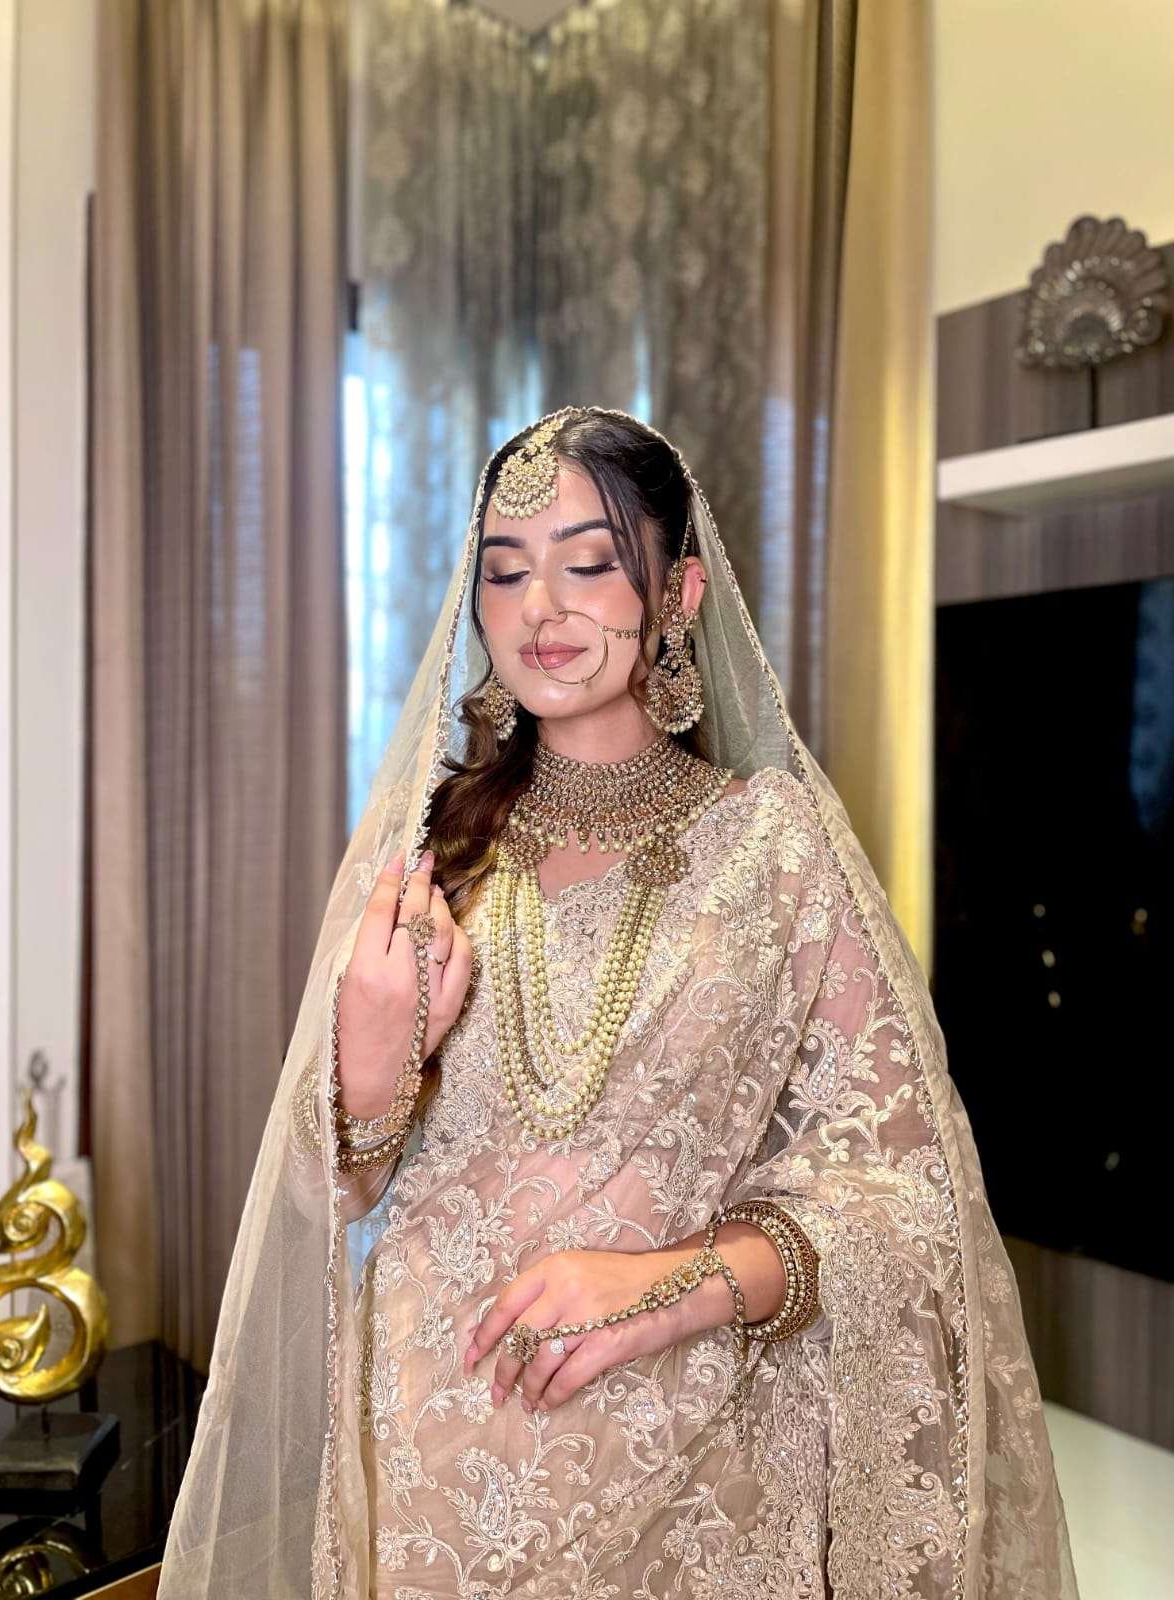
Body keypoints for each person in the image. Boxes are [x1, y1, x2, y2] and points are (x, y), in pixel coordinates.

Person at [157, 407, 1079, 1599]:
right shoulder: (432, 848)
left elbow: (911, 1200)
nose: (541, 607)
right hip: (429, 1461)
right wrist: (375, 1056)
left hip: (685, 1470)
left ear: (680, 593)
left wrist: (674, 1284)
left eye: (589, 563)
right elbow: (328, 1192)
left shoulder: (774, 849)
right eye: (506, 572)